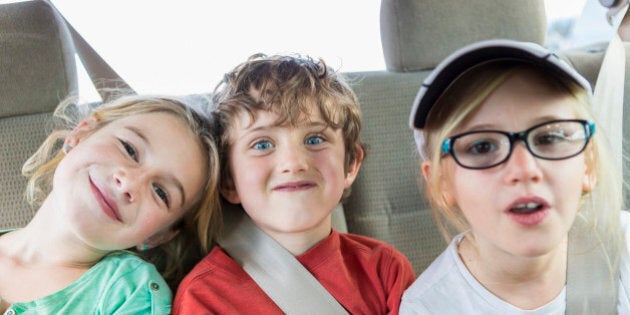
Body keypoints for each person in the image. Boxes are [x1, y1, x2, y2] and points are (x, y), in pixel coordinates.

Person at [399, 39, 630, 314]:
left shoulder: (623, 249)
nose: (525, 169)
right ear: (442, 183)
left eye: (550, 136)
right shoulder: (428, 307)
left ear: (588, 164)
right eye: (481, 147)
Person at [173, 54, 415, 314]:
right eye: (262, 144)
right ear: (229, 181)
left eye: (314, 139)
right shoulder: (205, 295)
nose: (294, 162)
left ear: (351, 164)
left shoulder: (384, 269)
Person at [0, 95, 221, 314]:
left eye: (160, 193)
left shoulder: (129, 294)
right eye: (129, 149)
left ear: (158, 235)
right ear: (81, 134)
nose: (129, 183)